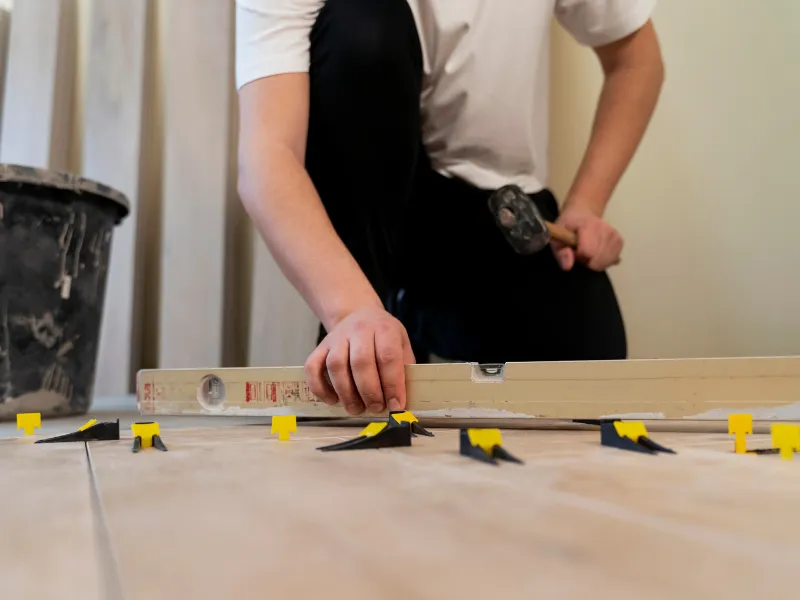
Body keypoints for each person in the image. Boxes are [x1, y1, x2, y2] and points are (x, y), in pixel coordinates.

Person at [235, 0, 664, 416]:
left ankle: (413, 315)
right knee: (364, 24)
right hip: (366, 216)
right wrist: (352, 311)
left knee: (590, 360)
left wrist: (586, 205)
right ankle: (371, 322)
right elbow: (268, 157)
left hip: (489, 204)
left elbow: (636, 62)